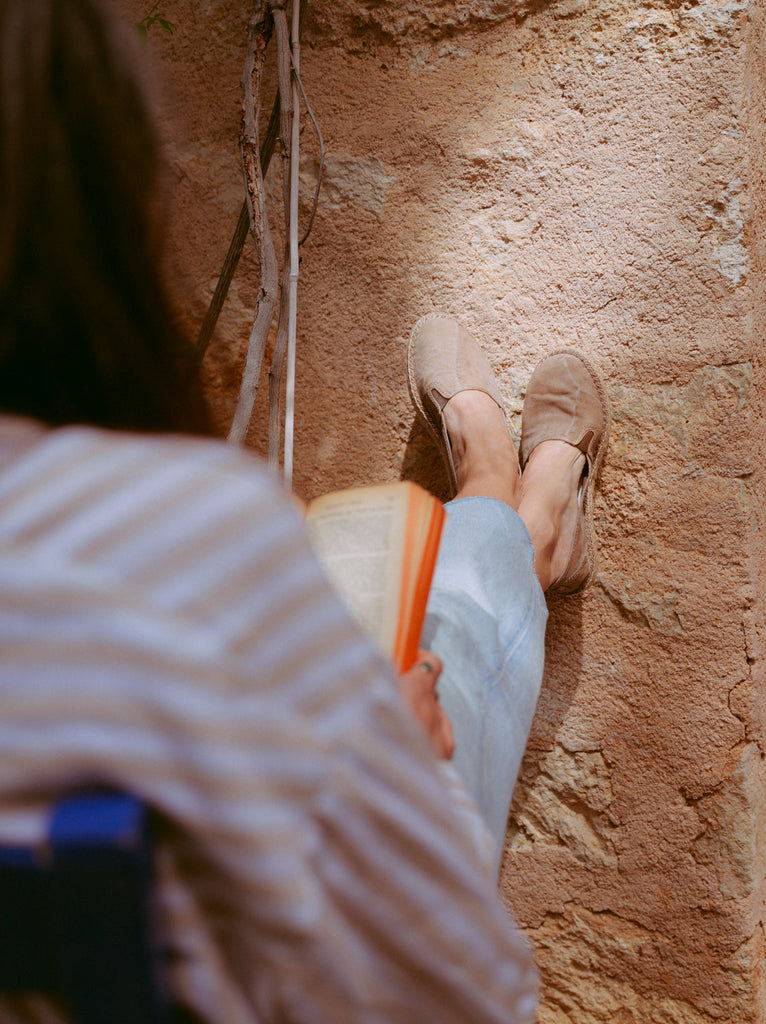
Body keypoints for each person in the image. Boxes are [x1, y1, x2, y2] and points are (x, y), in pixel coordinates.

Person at [0, 1, 610, 1022]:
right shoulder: (159, 539)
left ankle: (512, 500)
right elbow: (470, 994)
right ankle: (520, 508)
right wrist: (384, 775)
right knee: (425, 667)